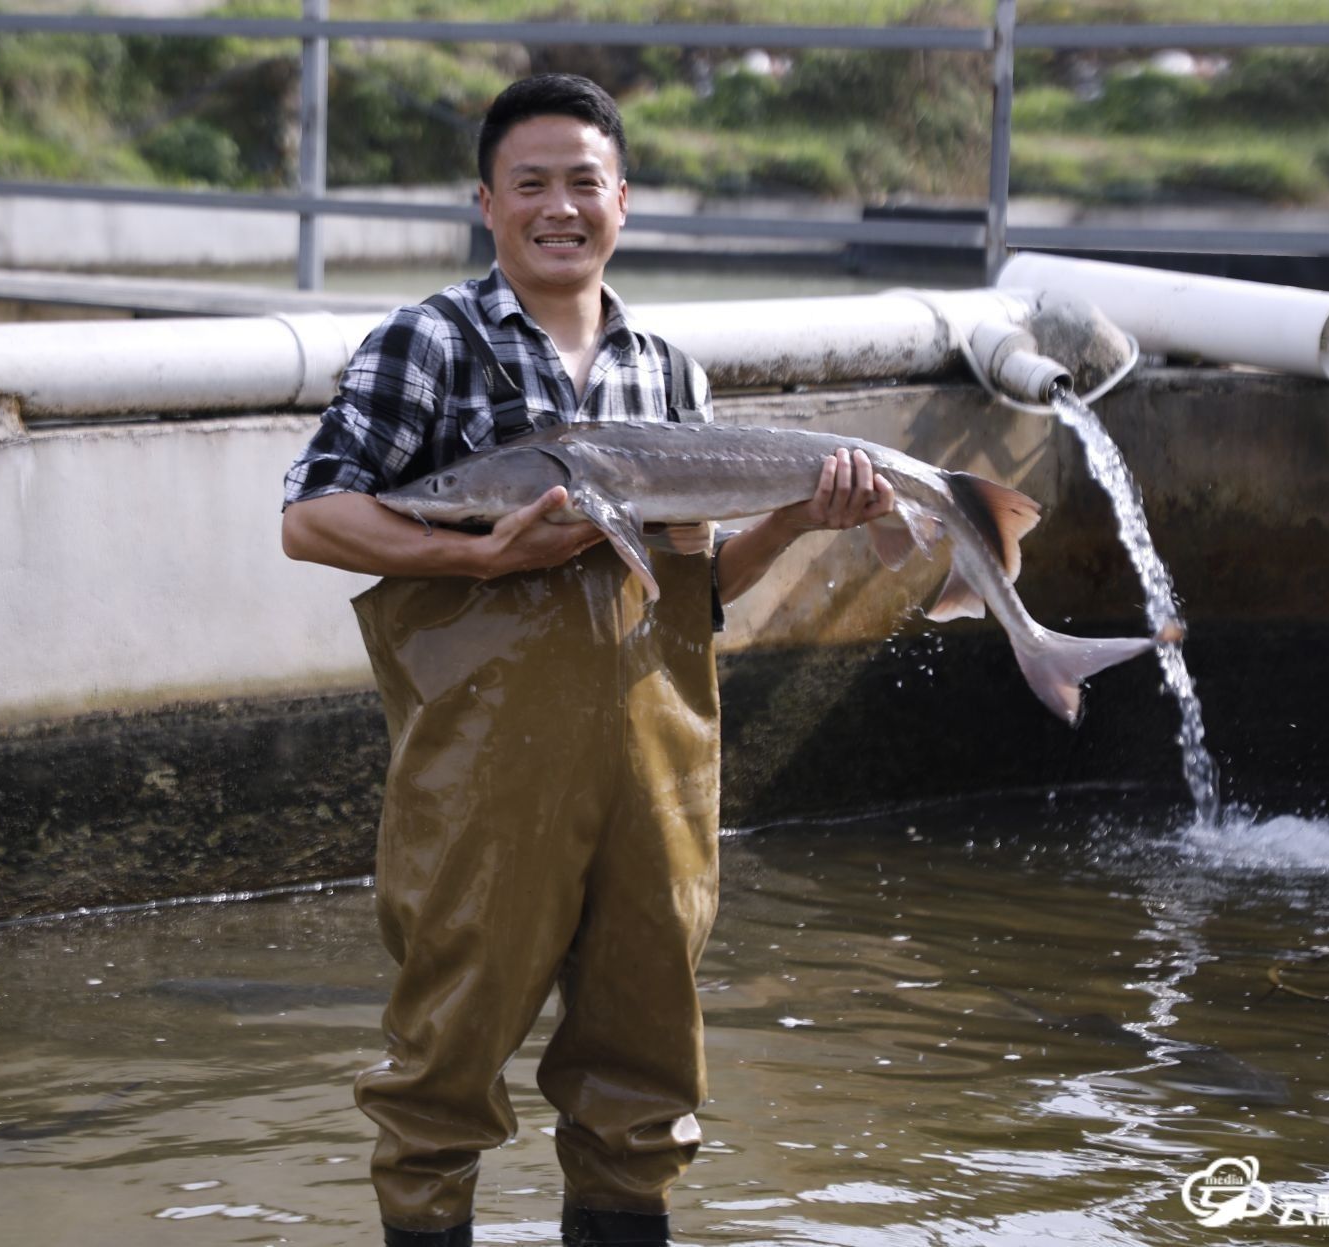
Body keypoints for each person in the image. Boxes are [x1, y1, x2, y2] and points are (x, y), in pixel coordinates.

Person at [281, 74, 894, 1247]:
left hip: (658, 770)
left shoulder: (667, 370)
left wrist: (803, 516)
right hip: (482, 771)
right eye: (531, 184)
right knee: (445, 1054)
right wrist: (479, 561)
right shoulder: (431, 341)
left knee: (644, 1057)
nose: (558, 207)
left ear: (623, 199)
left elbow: (700, 593)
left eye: (583, 182)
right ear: (487, 202)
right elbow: (310, 518)